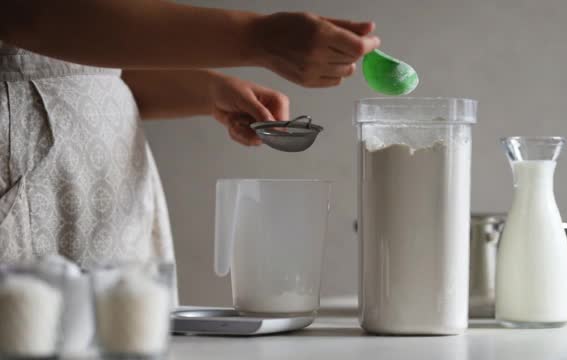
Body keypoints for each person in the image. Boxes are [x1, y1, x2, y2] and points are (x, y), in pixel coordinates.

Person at [0, 1, 380, 272]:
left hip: (110, 197)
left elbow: (84, 71)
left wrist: (207, 90)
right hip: (26, 180)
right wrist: (258, 37)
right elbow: (30, 14)